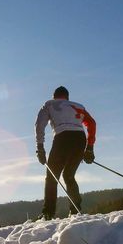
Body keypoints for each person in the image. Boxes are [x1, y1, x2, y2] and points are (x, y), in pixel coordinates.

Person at [35, 86, 96, 220]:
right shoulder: (78, 106)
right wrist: (89, 147)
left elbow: (39, 124)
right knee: (69, 175)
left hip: (62, 138)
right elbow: (91, 124)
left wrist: (40, 147)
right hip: (79, 138)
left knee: (52, 177)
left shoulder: (50, 104)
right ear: (67, 97)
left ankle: (48, 213)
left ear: (54, 96)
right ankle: (75, 210)